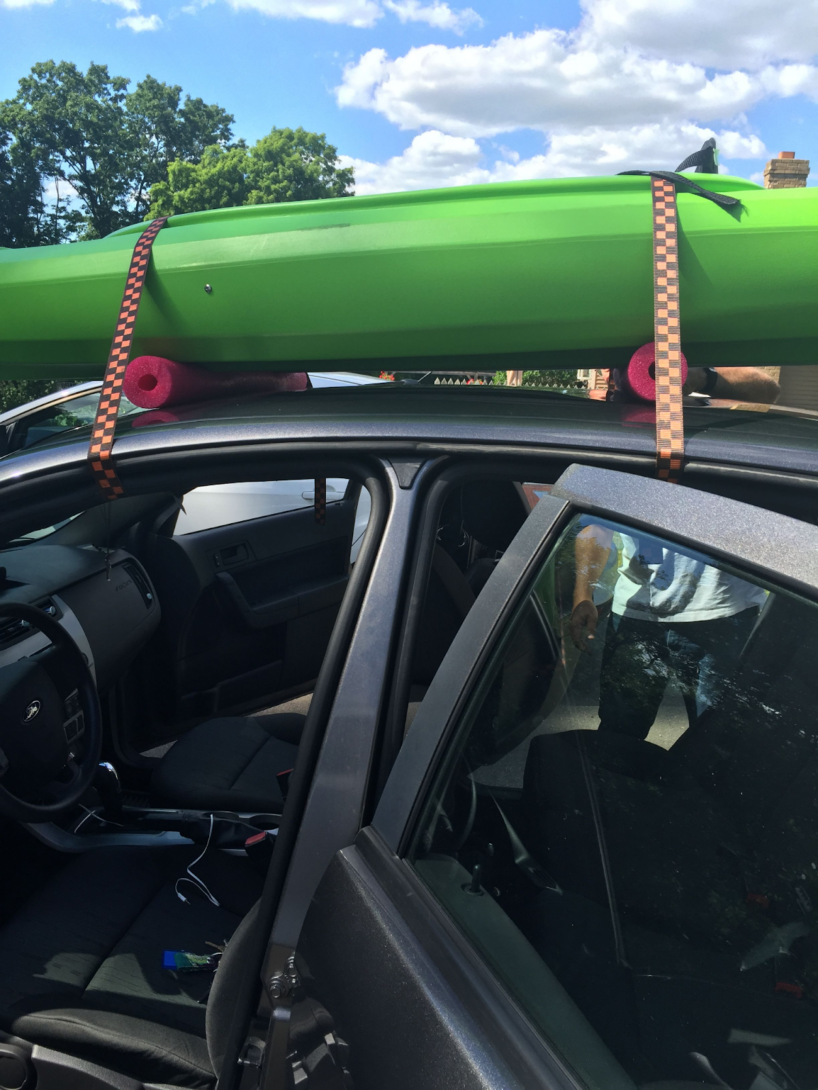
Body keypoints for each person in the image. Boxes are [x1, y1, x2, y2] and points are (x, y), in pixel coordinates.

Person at [570, 524, 766, 740]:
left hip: (722, 611)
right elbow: (599, 527)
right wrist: (583, 595)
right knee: (618, 732)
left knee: (716, 736)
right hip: (637, 613)